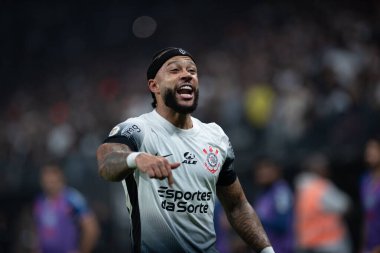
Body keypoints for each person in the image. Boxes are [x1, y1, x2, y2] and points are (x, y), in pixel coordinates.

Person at [96, 47, 274, 253]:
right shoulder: (138, 129)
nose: (187, 75)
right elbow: (106, 161)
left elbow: (237, 206)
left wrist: (267, 251)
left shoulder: (215, 136)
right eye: (174, 70)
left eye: (192, 71)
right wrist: (136, 158)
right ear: (154, 86)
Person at [33, 163, 100, 253]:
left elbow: (91, 229)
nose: (49, 179)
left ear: (60, 177)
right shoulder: (40, 201)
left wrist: (83, 250)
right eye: (45, 175)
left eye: (53, 174)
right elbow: (38, 231)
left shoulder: (72, 198)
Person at [294, 153, 352, 253]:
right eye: (324, 166)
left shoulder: (301, 188)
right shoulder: (321, 187)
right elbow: (346, 205)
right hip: (329, 243)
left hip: (309, 243)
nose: (327, 169)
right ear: (316, 168)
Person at [251, 157, 294, 253]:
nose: (262, 172)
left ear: (277, 170)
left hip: (281, 249)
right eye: (259, 169)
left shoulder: (281, 191)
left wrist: (255, 220)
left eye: (266, 167)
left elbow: (283, 223)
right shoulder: (262, 194)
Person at [360, 136, 380, 253]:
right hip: (369, 246)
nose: (369, 152)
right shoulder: (365, 181)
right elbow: (367, 217)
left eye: (374, 149)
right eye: (368, 149)